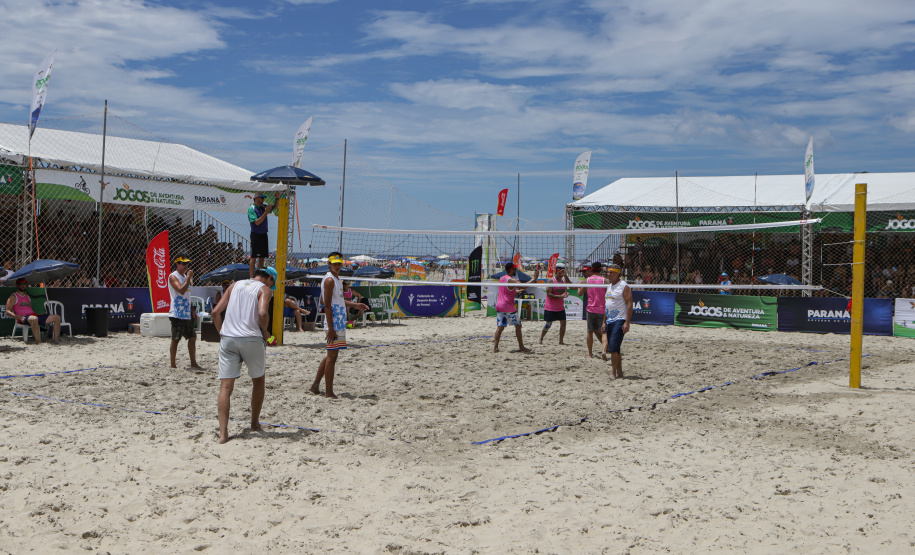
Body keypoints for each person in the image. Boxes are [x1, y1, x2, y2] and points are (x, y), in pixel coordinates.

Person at [211, 266, 276, 444]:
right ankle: (254, 423)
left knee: (225, 387)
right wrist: (265, 332)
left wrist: (222, 334)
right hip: (251, 338)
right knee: (258, 381)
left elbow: (215, 312)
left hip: (229, 338)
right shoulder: (265, 289)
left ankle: (223, 434)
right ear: (269, 278)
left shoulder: (234, 285)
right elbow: (262, 313)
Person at [310, 252, 370, 398]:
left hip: (338, 320)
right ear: (329, 264)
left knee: (331, 355)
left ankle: (315, 385)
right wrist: (330, 329)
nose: (337, 266)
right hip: (334, 322)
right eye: (334, 263)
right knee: (332, 357)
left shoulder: (337, 279)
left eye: (339, 263)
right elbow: (327, 306)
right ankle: (329, 392)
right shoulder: (330, 280)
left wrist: (357, 304)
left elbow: (338, 301)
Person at [600, 264, 633, 378]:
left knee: (613, 347)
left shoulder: (624, 286)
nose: (608, 274)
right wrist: (604, 322)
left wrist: (627, 322)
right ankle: (620, 372)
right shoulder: (609, 287)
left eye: (611, 272)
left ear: (618, 273)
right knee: (615, 348)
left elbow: (629, 304)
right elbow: (607, 306)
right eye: (607, 272)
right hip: (610, 320)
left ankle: (613, 372)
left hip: (620, 320)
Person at [5, 278, 61, 344]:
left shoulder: (27, 296)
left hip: (32, 315)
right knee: (34, 319)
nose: (23, 286)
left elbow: (29, 309)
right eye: (21, 284)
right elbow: (7, 311)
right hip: (23, 317)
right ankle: (38, 342)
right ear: (17, 285)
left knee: (57, 317)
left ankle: (56, 340)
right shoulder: (13, 296)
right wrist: (18, 317)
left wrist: (36, 314)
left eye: (25, 284)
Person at [168, 256, 201, 369]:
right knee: (176, 339)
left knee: (192, 337)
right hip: (176, 313)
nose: (185, 265)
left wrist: (192, 310)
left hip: (186, 312)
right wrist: (188, 278)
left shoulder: (184, 277)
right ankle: (173, 365)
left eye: (187, 263)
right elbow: (181, 290)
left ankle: (193, 362)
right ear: (177, 264)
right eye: (182, 263)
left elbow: (187, 296)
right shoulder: (173, 276)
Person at [493, 262, 532, 353]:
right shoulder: (511, 279)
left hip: (500, 306)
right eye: (515, 269)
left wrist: (519, 291)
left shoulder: (502, 278)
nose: (516, 270)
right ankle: (521, 347)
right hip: (507, 307)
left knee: (500, 327)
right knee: (518, 326)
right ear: (511, 270)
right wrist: (534, 279)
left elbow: (511, 290)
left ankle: (495, 348)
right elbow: (523, 285)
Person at [577, 261, 609, 358]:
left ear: (591, 269)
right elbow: (610, 295)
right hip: (602, 309)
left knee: (590, 332)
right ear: (600, 270)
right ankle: (604, 350)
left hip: (590, 309)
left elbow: (579, 294)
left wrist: (579, 286)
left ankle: (590, 354)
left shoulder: (587, 280)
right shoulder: (605, 281)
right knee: (603, 332)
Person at [539, 263, 571, 345]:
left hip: (560, 307)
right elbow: (549, 294)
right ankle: (541, 338)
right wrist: (560, 296)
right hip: (550, 307)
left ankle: (561, 341)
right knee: (548, 324)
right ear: (556, 272)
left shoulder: (563, 281)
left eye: (562, 272)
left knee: (563, 323)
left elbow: (566, 290)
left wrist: (566, 294)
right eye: (559, 272)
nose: (560, 274)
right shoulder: (551, 281)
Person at [248, 194, 274, 279]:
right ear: (256, 198)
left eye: (263, 198)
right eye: (261, 198)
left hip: (263, 234)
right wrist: (266, 213)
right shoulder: (252, 208)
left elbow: (274, 207)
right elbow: (257, 222)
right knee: (254, 256)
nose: (262, 200)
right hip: (256, 234)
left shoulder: (263, 207)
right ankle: (252, 277)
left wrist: (277, 199)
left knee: (262, 257)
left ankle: (259, 276)